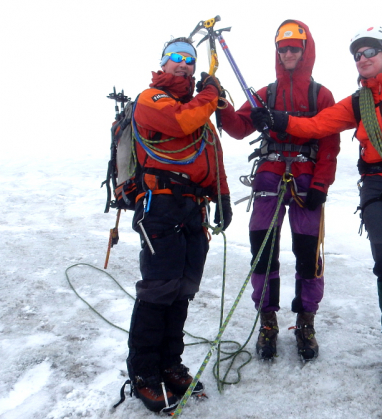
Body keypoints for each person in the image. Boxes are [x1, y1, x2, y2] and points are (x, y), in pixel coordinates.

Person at [250, 26, 382, 389]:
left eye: (370, 52)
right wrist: (281, 121)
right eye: (358, 55)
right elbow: (319, 125)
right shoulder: (357, 101)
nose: (363, 59)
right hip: (379, 187)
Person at [219, 20, 340, 362]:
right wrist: (223, 106)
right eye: (283, 48)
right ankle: (267, 321)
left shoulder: (322, 96)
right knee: (264, 252)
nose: (288, 53)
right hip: (270, 177)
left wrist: (320, 185)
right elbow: (239, 128)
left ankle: (305, 321)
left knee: (307, 255)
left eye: (294, 47)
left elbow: (330, 144)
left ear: (306, 50)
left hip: (305, 181)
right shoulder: (264, 95)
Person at [125, 36, 232, 413]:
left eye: (189, 59)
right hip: (160, 204)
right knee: (158, 289)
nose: (183, 64)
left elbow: (212, 150)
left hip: (193, 208)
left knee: (182, 290)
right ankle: (143, 372)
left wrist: (222, 195)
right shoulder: (151, 99)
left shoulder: (197, 108)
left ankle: (169, 364)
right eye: (175, 58)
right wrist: (210, 93)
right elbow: (182, 121)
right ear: (163, 63)